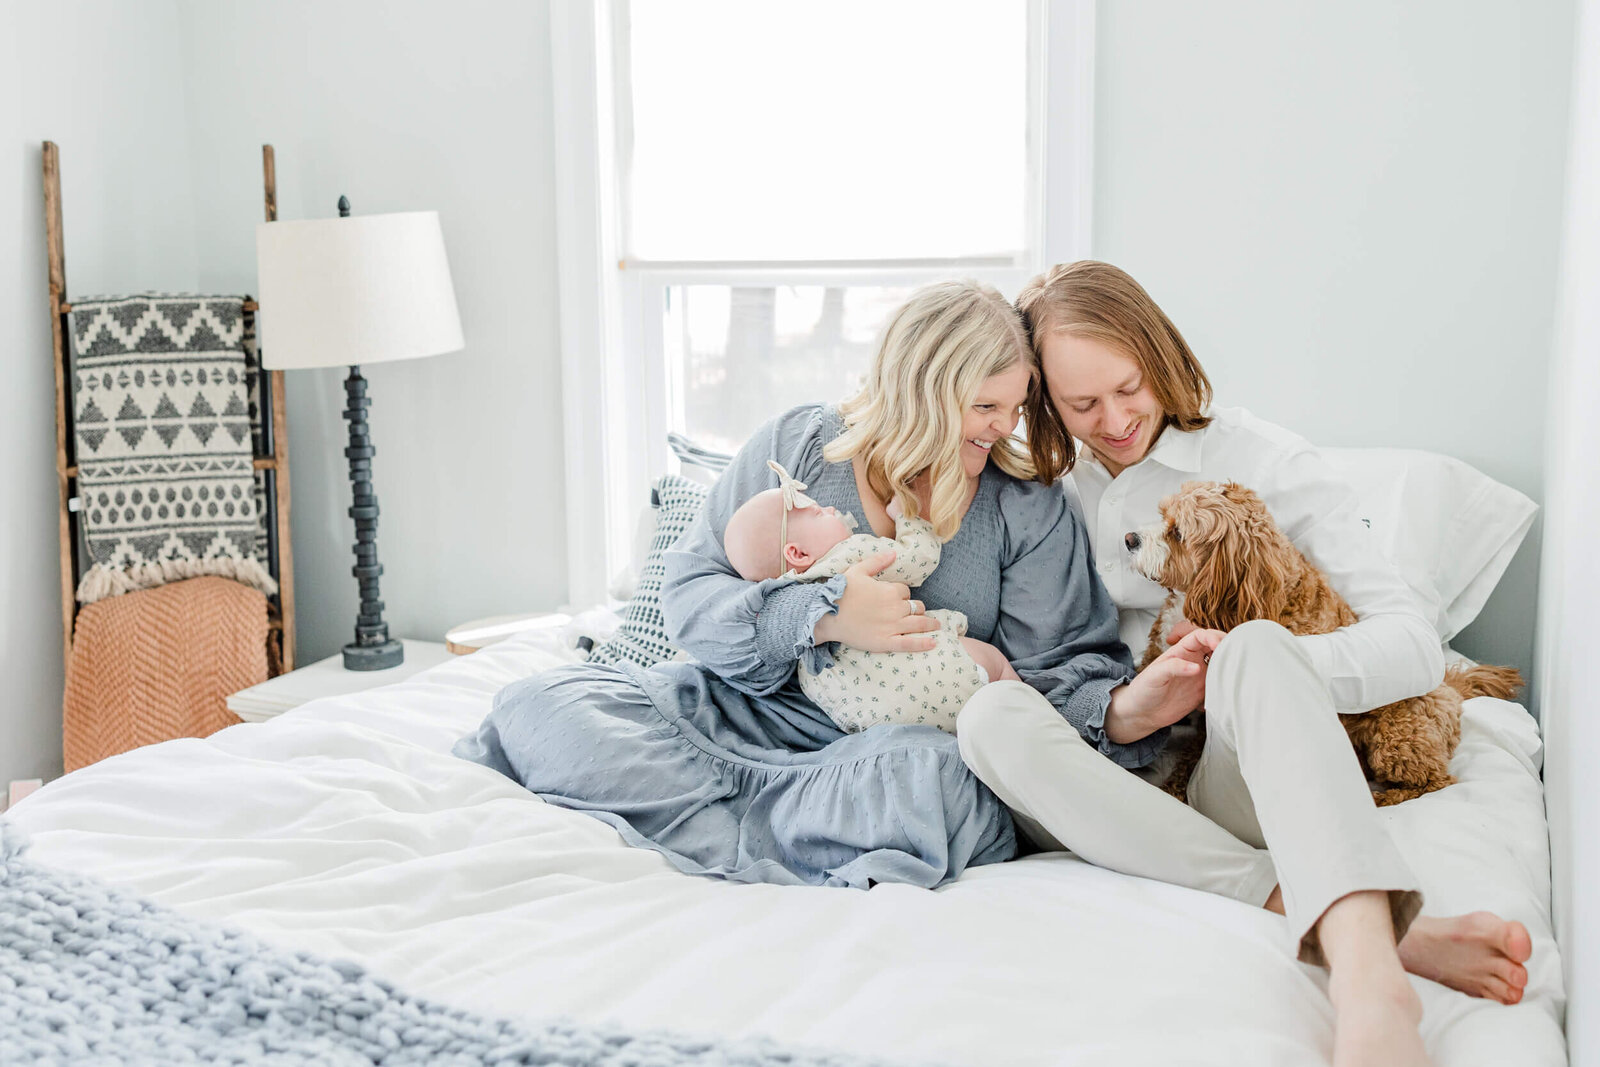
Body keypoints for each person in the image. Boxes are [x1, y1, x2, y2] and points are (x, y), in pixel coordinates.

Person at [956, 260, 1533, 1067]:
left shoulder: (1265, 462)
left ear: (1159, 356)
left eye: (1130, 387)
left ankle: (1369, 977)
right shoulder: (1040, 493)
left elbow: (1411, 644)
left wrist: (1241, 672)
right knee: (986, 718)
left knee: (1259, 645)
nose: (1116, 419)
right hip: (1113, 783)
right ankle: (1393, 931)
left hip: (1238, 769)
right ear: (1044, 402)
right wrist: (1132, 705)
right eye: (1081, 404)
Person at [456, 279, 1206, 890]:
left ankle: (738, 826)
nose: (1002, 427)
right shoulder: (802, 447)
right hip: (744, 715)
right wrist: (823, 615)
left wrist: (1121, 710)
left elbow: (1055, 675)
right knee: (545, 703)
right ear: (924, 389)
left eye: (1014, 406)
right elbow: (692, 597)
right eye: (985, 407)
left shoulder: (1027, 503)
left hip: (891, 751)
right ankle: (780, 832)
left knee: (938, 789)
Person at [722, 458, 1019, 734]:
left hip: (878, 720)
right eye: (817, 512)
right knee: (998, 665)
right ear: (798, 553)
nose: (829, 509)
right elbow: (918, 559)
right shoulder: (848, 556)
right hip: (943, 677)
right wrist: (911, 516)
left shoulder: (795, 614)